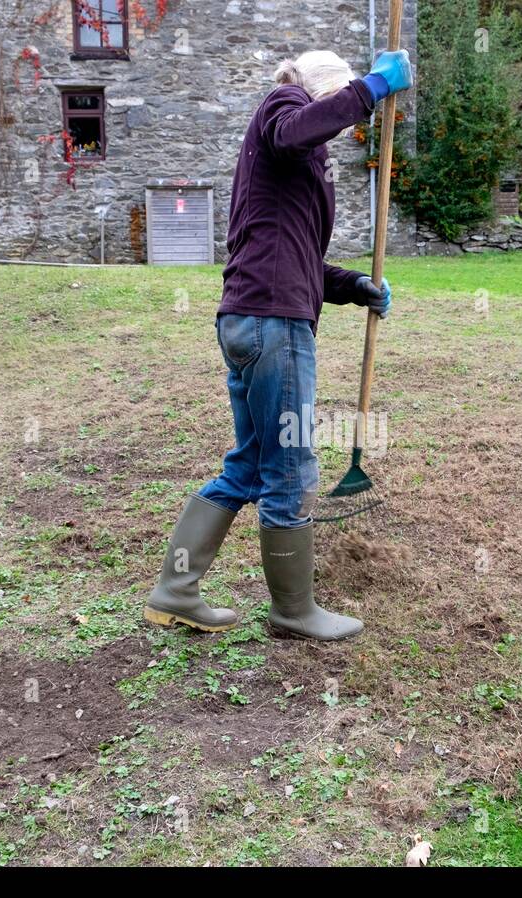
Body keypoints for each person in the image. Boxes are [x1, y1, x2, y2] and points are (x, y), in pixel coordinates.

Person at [143, 47, 413, 641]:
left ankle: (175, 591)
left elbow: (295, 257)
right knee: (289, 467)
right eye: (340, 105)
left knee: (248, 464)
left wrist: (353, 286)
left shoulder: (288, 156)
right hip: (272, 324)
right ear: (323, 90)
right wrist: (372, 86)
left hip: (251, 316)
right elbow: (301, 129)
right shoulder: (284, 107)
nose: (342, 128)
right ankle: (294, 611)